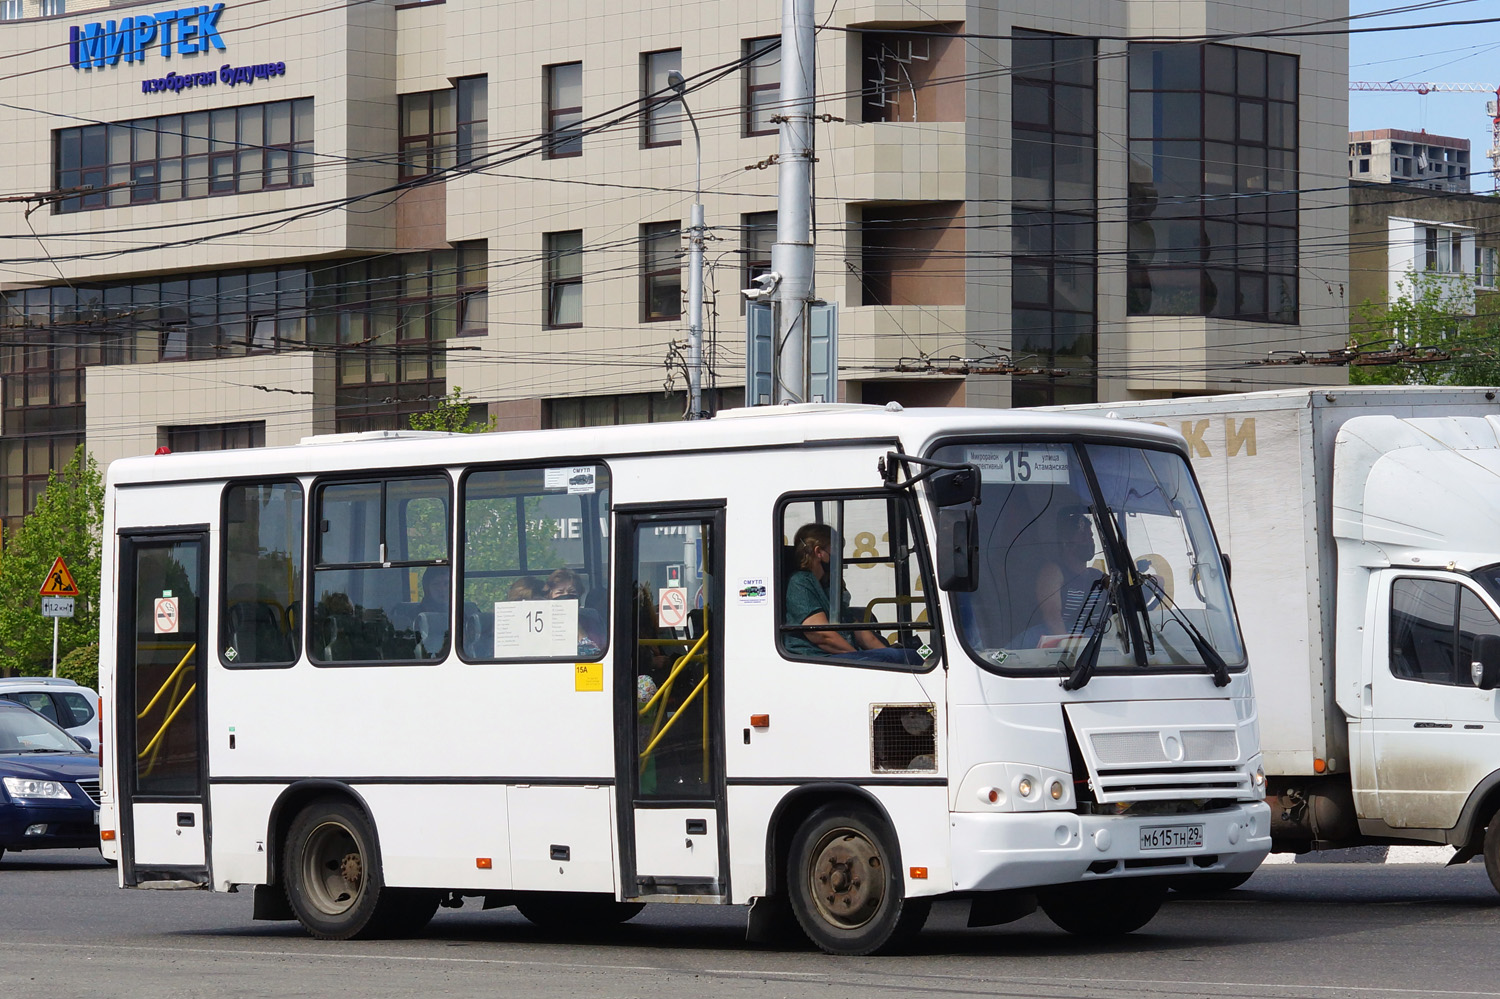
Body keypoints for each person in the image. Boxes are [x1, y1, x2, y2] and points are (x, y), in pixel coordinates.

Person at [783, 523, 921, 665]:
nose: (839, 557)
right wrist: (860, 660)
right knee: (909, 658)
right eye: (835, 550)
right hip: (818, 657)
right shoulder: (800, 583)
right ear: (819, 552)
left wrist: (887, 653)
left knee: (911, 656)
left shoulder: (826, 585)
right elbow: (821, 635)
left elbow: (858, 631)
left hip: (842, 654)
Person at [1029, 506, 1106, 643]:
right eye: (1083, 536)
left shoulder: (1098, 576)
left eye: (1090, 536)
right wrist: (1067, 649)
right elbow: (1052, 615)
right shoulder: (1053, 571)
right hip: (1065, 647)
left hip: (1096, 645)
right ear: (1066, 543)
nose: (1090, 541)